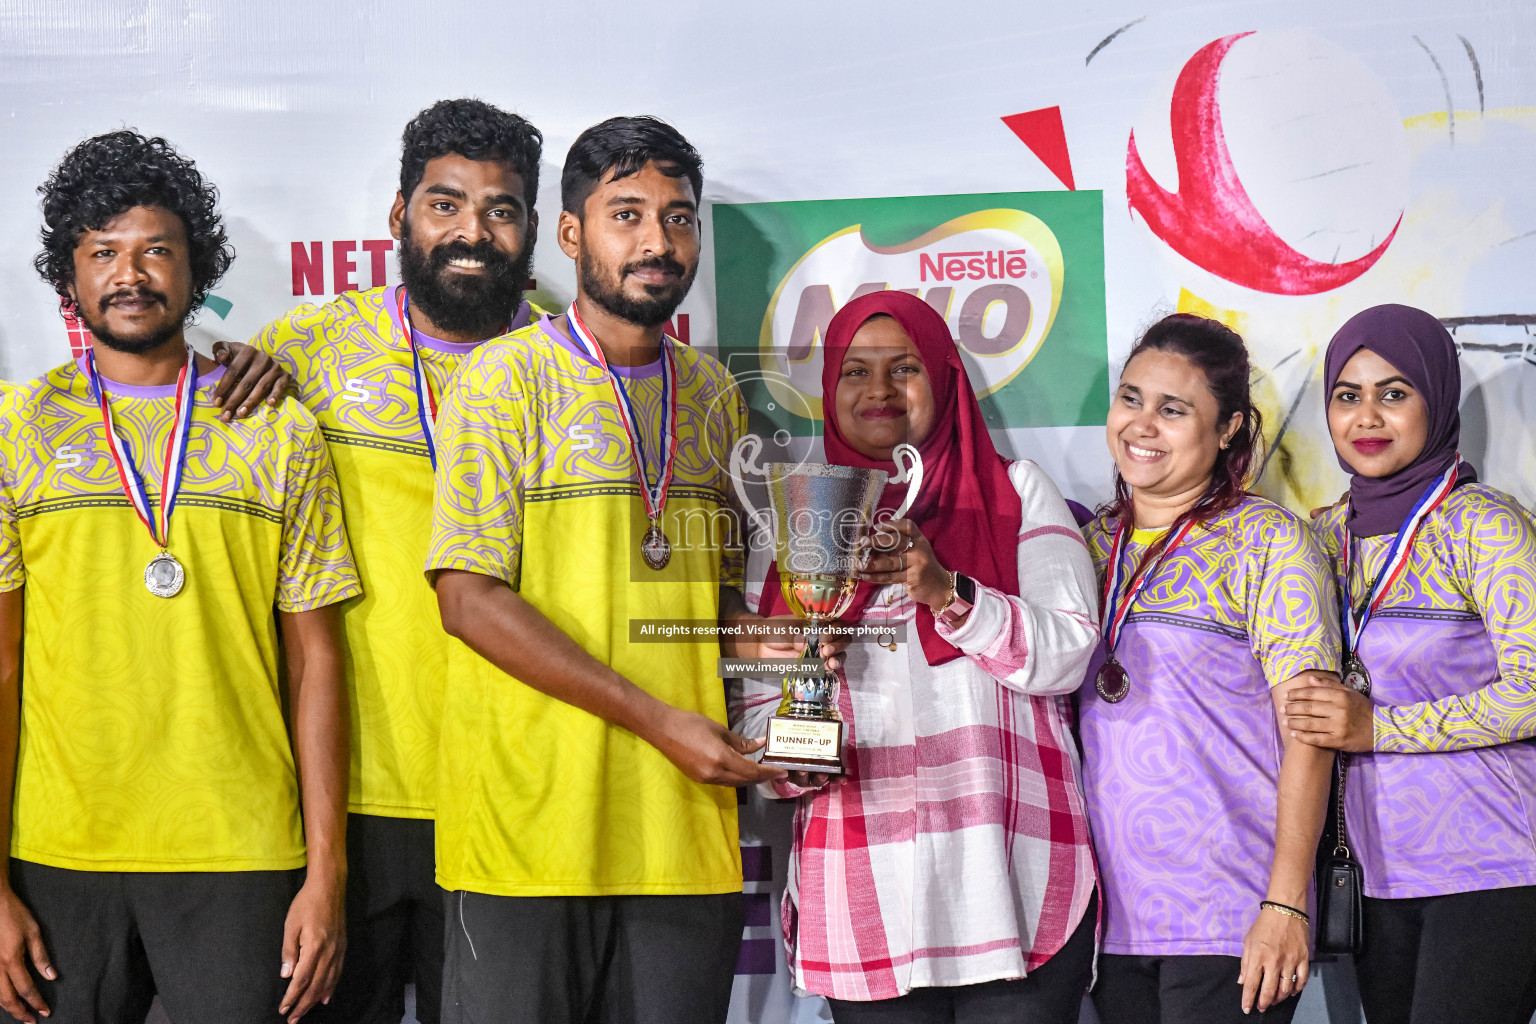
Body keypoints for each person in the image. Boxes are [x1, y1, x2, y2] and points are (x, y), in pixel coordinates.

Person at [425, 116, 781, 1024]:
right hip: (529, 834)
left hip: (682, 831)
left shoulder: (714, 396)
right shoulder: (503, 379)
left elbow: (718, 610)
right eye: (627, 214)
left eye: (678, 217)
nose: (658, 242)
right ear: (572, 233)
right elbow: (466, 601)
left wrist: (800, 696)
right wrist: (661, 720)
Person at [0, 131, 359, 1024]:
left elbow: (317, 663)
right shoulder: (19, 431)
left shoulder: (277, 430)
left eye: (157, 249)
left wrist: (327, 872)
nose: (131, 273)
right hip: (58, 855)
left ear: (197, 269)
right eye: (104, 253)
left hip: (241, 854)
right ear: (69, 277)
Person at [235, 98, 543, 1024]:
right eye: (445, 204)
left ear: (534, 229)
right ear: (398, 218)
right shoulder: (304, 348)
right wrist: (219, 366)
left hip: (508, 790)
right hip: (346, 799)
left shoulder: (564, 357)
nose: (472, 232)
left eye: (500, 209)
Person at [729, 291, 1101, 1022]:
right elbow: (766, 753)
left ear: (944, 377)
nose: (879, 391)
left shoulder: (1018, 494)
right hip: (867, 904)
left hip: (1015, 891)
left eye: (904, 368)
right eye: (854, 372)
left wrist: (946, 592)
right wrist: (809, 695)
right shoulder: (789, 533)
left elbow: (1068, 654)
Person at [1077, 314, 1340, 1023]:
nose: (1142, 425)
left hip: (1230, 914)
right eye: (1130, 398)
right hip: (1105, 921)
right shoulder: (1084, 546)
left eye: (1173, 409)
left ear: (1227, 429)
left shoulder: (1269, 542)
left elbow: (1310, 734)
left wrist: (1286, 901)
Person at [1286, 304, 1536, 1024]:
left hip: (1489, 867)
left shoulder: (1483, 523)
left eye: (1394, 393)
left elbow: (1531, 691)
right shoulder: (1322, 537)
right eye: (1347, 395)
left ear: (1436, 399)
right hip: (1372, 875)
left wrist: (1379, 728)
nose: (1368, 416)